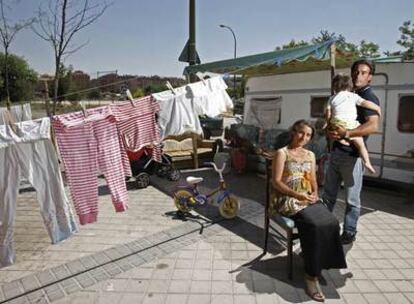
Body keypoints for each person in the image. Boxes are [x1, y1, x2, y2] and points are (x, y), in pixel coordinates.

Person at [270, 120, 347, 302]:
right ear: (293, 131)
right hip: (287, 198)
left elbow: (312, 178)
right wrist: (297, 195)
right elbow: (276, 182)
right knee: (313, 225)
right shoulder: (282, 153)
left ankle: (319, 261)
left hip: (306, 197)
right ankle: (310, 276)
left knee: (332, 222)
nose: (304, 138)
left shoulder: (310, 155)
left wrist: (314, 194)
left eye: (308, 135)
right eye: (300, 133)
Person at [322, 59, 380, 244]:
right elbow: (331, 118)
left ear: (370, 77)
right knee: (328, 195)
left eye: (364, 72)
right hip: (336, 153)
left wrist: (347, 132)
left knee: (352, 200)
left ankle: (349, 233)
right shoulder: (346, 94)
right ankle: (322, 226)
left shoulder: (369, 97)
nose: (358, 75)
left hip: (353, 157)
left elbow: (372, 126)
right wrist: (329, 130)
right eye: (356, 71)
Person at [325, 73, 381, 174]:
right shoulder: (353, 96)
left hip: (337, 124)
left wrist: (328, 123)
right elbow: (365, 103)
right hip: (350, 125)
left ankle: (343, 141)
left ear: (334, 86)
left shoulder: (331, 98)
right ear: (349, 86)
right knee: (360, 145)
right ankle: (367, 162)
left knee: (335, 138)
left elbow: (328, 114)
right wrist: (377, 107)